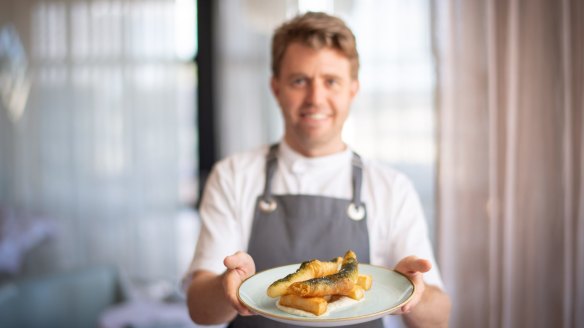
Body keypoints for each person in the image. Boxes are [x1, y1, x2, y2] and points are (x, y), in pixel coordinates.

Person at [185, 11, 451, 328]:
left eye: (331, 81)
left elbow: (439, 319)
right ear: (276, 88)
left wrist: (414, 294)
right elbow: (199, 310)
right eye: (300, 81)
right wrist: (226, 286)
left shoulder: (391, 187)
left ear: (353, 90)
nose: (315, 98)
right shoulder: (233, 175)